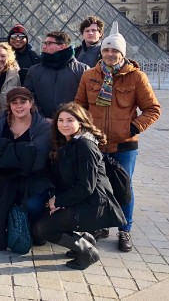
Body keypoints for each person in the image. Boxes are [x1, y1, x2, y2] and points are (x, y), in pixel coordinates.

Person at [75, 22, 161, 252]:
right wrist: (82, 129)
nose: (110, 54)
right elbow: (79, 106)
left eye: (115, 51)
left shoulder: (137, 77)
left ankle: (125, 229)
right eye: (106, 50)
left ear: (123, 53)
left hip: (124, 143)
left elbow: (153, 109)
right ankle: (101, 224)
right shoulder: (89, 75)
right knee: (96, 186)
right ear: (101, 51)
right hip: (95, 142)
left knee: (124, 188)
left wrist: (134, 128)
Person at [32, 102, 126, 270]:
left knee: (42, 229)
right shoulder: (69, 142)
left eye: (70, 120)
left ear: (81, 122)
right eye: (60, 120)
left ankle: (88, 252)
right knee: (44, 220)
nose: (64, 124)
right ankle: (86, 240)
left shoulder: (85, 145)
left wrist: (59, 201)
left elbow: (86, 186)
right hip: (81, 199)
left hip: (94, 203)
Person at [0, 88, 52, 222]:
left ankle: (34, 228)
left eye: (23, 102)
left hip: (31, 177)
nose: (19, 106)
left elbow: (37, 162)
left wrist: (4, 154)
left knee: (32, 206)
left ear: (31, 103)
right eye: (14, 102)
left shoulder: (42, 127)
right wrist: (21, 155)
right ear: (9, 105)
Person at [24, 31, 88, 119]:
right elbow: (28, 97)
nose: (44, 46)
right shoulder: (34, 70)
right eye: (44, 43)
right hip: (42, 124)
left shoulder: (83, 70)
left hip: (73, 123)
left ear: (62, 46)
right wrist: (42, 118)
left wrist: (71, 118)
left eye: (48, 43)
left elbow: (86, 100)